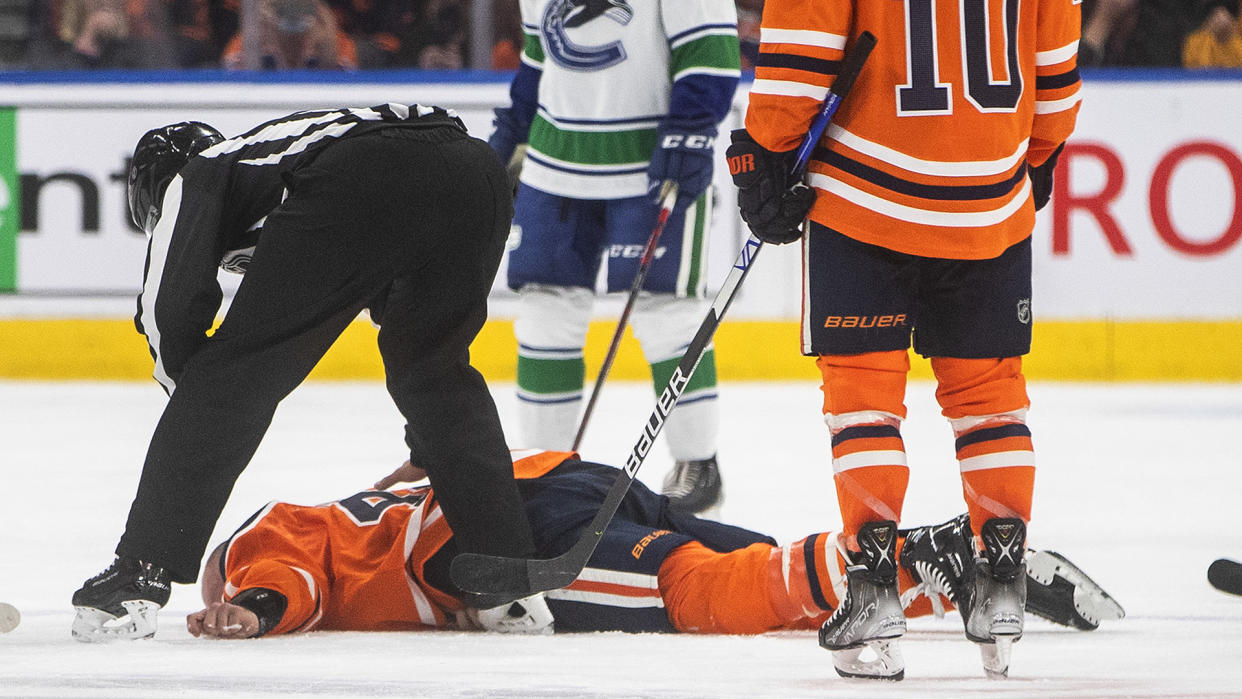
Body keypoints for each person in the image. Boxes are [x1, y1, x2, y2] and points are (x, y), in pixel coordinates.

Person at [70, 104, 544, 642]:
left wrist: (195, 400)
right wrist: (429, 445)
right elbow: (397, 286)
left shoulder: (197, 173)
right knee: (435, 369)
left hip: (370, 169)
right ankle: (506, 581)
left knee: (232, 376)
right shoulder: (274, 164)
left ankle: (139, 575)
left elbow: (168, 312)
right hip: (475, 172)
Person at [727, 0, 1081, 680]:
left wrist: (765, 155)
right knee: (990, 396)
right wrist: (1035, 158)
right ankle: (1002, 585)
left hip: (866, 199)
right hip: (989, 202)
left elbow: (802, 48)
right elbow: (1056, 70)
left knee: (863, 399)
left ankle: (873, 589)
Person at [186, 450, 1123, 643]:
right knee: (775, 573)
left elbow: (286, 583)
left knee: (703, 597)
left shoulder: (255, 542)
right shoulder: (343, 502)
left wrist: (250, 609)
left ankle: (925, 556)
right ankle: (972, 572)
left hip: (517, 543)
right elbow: (432, 446)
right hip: (568, 480)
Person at [487, 0, 742, 515]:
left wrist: (691, 129)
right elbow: (538, 58)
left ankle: (698, 464)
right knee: (544, 312)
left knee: (664, 310)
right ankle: (545, 467)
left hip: (651, 160)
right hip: (553, 163)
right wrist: (510, 136)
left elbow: (709, 50)